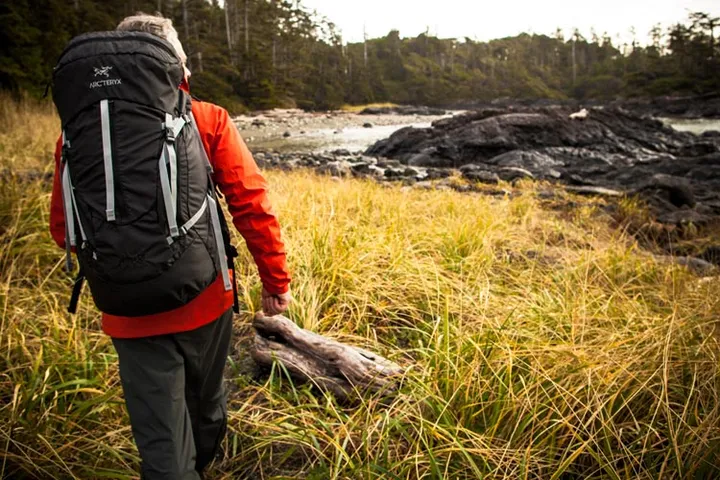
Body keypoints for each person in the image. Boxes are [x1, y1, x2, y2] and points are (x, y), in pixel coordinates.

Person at [48, 13, 292, 479]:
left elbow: (64, 231)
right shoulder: (206, 117)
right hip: (204, 295)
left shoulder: (77, 133)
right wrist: (275, 280)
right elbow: (251, 204)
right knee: (208, 408)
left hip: (124, 307)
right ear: (174, 66)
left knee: (160, 437)